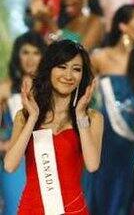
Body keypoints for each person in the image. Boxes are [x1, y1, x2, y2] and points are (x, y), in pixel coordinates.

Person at [3, 39, 103, 214]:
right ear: (49, 69)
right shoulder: (25, 116)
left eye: (76, 69)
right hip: (31, 209)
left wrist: (80, 115)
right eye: (62, 67)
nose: (69, 75)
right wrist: (33, 118)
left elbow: (92, 165)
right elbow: (10, 166)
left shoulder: (92, 118)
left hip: (72, 210)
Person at [89, 4, 134, 214]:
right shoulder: (99, 57)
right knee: (102, 186)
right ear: (123, 25)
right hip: (106, 134)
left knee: (128, 191)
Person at [0, 31, 46, 215]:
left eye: (36, 53)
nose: (30, 58)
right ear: (17, 55)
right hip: (16, 162)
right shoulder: (5, 88)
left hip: (46, 159)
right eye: (25, 52)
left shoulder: (52, 88)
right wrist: (4, 146)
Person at [30, 0, 105, 50]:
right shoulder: (62, 21)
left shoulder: (95, 22)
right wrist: (39, 20)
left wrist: (50, 23)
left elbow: (81, 53)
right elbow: (36, 47)